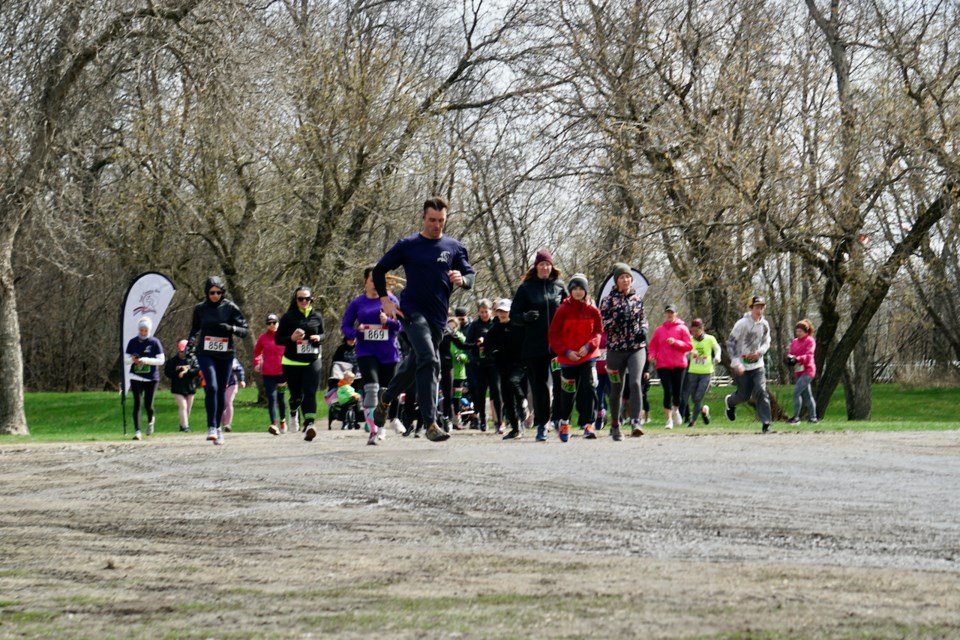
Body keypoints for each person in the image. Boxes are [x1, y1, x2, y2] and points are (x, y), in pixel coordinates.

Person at [371, 196, 476, 442]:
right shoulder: (408, 245)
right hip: (412, 313)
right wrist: (385, 301)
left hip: (438, 318)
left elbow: (469, 272)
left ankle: (386, 398)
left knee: (414, 365)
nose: (436, 225)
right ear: (423, 218)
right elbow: (379, 270)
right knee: (430, 358)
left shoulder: (453, 246)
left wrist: (463, 280)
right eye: (432, 220)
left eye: (441, 221)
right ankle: (431, 423)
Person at [341, 266, 405, 442]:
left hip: (388, 352)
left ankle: (391, 420)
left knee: (387, 390)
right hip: (366, 351)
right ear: (365, 282)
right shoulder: (357, 303)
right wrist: (357, 331)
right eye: (372, 280)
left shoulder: (390, 300)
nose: (376, 284)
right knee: (371, 388)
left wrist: (389, 321)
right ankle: (374, 428)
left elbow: (401, 326)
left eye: (380, 281)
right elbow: (345, 327)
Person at [510, 249, 568, 442]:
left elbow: (571, 309)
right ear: (536, 267)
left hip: (558, 347)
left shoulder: (559, 287)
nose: (545, 268)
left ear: (552, 267)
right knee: (540, 386)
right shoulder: (526, 288)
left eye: (548, 264)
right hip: (535, 346)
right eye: (541, 264)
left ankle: (559, 419)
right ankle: (542, 424)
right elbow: (513, 316)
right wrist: (524, 318)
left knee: (561, 383)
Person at [187, 276, 249, 446]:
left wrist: (231, 328)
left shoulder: (230, 308)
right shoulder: (200, 309)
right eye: (211, 292)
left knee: (221, 389)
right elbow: (194, 329)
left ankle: (220, 428)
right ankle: (211, 427)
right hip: (206, 353)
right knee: (211, 387)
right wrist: (190, 344)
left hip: (225, 354)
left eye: (218, 292)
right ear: (206, 293)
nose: (215, 295)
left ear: (223, 292)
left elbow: (245, 330)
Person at [547, 273, 603, 442]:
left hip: (587, 357)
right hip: (568, 359)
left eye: (581, 289)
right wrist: (566, 351)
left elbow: (598, 332)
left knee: (589, 387)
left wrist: (589, 347)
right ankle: (564, 421)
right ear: (570, 291)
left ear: (586, 291)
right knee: (567, 392)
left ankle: (588, 423)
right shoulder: (562, 310)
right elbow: (554, 335)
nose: (578, 292)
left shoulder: (592, 310)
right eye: (575, 289)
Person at [599, 262, 648, 440]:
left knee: (635, 382)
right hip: (615, 350)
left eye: (628, 277)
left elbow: (643, 319)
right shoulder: (608, 301)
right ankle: (615, 424)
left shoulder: (637, 299)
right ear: (616, 280)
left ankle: (636, 421)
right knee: (616, 388)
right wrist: (616, 319)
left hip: (636, 348)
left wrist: (644, 329)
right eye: (622, 277)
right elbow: (602, 324)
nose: (626, 280)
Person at [276, 285, 325, 442]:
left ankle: (310, 424)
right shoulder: (288, 317)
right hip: (292, 361)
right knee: (296, 395)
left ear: (311, 300)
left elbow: (323, 334)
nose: (304, 301)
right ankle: (293, 411)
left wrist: (319, 338)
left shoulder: (317, 316)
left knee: (310, 392)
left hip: (312, 359)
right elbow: (278, 339)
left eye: (307, 298)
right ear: (295, 300)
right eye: (300, 299)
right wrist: (291, 339)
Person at [724, 295, 773, 433]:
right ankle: (730, 402)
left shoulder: (764, 324)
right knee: (744, 396)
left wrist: (760, 352)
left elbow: (766, 341)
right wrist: (736, 362)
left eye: (762, 307)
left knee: (761, 391)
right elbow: (731, 343)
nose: (759, 310)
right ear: (751, 308)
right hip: (742, 365)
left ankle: (766, 423)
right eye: (757, 307)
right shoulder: (742, 324)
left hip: (758, 365)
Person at [648, 304, 693, 430]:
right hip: (663, 364)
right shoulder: (659, 330)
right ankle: (668, 420)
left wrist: (676, 342)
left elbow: (689, 346)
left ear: (676, 314)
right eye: (667, 312)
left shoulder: (682, 329)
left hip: (679, 364)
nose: (669, 315)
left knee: (677, 392)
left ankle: (676, 409)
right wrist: (652, 355)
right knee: (667, 391)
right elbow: (653, 346)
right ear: (665, 314)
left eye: (672, 312)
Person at [487, 299, 527, 439]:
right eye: (500, 311)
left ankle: (523, 401)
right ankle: (516, 428)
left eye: (505, 311)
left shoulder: (518, 326)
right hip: (502, 366)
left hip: (519, 365)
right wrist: (493, 352)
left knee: (512, 382)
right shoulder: (494, 329)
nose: (503, 314)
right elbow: (487, 347)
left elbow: (525, 343)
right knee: (507, 398)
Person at [464, 299, 503, 433]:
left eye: (486, 312)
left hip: (494, 363)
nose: (484, 314)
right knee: (481, 392)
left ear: (490, 311)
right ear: (478, 313)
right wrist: (476, 344)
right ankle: (482, 418)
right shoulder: (474, 326)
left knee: (496, 392)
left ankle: (499, 420)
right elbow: (467, 345)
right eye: (481, 312)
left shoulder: (495, 323)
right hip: (479, 364)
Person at [125, 317, 165, 441]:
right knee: (137, 402)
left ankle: (150, 421)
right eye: (141, 330)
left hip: (151, 378)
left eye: (145, 330)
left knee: (148, 404)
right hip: (136, 376)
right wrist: (133, 359)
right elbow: (125, 360)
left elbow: (161, 360)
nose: (143, 333)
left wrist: (146, 361)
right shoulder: (132, 342)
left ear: (149, 330)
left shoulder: (154, 342)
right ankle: (137, 431)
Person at [680, 318, 722, 428]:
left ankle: (693, 422)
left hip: (706, 373)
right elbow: (684, 350)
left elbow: (717, 348)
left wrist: (717, 356)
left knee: (698, 397)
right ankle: (704, 410)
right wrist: (689, 352)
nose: (694, 333)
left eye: (696, 331)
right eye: (692, 331)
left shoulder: (710, 339)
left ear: (702, 329)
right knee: (694, 398)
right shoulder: (690, 339)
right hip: (693, 372)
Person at [254, 313, 289, 435]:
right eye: (269, 323)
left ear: (279, 323)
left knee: (281, 398)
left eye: (274, 322)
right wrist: (257, 363)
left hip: (282, 373)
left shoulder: (284, 336)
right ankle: (273, 424)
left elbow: (291, 351)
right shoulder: (263, 338)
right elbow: (257, 352)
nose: (272, 325)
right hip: (268, 373)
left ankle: (283, 420)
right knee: (272, 398)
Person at [440, 317, 470, 431]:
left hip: (458, 372)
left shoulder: (460, 338)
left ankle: (457, 421)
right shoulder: (443, 336)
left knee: (456, 398)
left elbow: (467, 355)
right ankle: (446, 418)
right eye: (449, 326)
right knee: (446, 396)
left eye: (453, 326)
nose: (451, 328)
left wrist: (461, 357)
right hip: (445, 367)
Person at [786, 319, 818, 425]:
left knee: (796, 392)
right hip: (798, 372)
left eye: (800, 331)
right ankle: (813, 418)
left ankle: (796, 418)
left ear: (806, 331)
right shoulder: (795, 342)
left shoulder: (810, 341)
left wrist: (797, 359)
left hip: (808, 371)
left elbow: (809, 356)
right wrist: (789, 358)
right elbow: (790, 353)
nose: (798, 333)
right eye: (797, 331)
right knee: (807, 396)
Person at [164, 339, 200, 433]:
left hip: (190, 387)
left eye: (185, 351)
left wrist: (187, 371)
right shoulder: (173, 361)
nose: (183, 353)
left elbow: (197, 370)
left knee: (188, 408)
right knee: (183, 406)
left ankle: (183, 424)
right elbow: (168, 372)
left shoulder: (193, 359)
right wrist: (177, 371)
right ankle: (185, 427)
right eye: (181, 351)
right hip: (178, 387)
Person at [220, 357, 246, 433]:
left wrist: (242, 380)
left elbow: (239, 369)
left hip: (232, 383)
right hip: (220, 384)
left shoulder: (231, 358)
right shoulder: (215, 358)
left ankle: (228, 424)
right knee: (221, 404)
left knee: (228, 402)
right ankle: (224, 424)